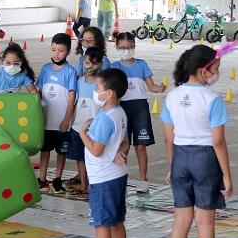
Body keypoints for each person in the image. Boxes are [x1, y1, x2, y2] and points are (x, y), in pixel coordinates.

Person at [160, 45, 232, 238]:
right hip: (205, 160)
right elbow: (218, 142)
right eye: (216, 69)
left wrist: (171, 166)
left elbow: (169, 138)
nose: (217, 74)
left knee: (180, 222)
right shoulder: (213, 99)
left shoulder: (172, 96)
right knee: (205, 223)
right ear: (204, 70)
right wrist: (227, 175)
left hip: (180, 158)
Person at [74, 68, 130, 238]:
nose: (95, 91)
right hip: (117, 175)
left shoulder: (105, 118)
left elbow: (96, 150)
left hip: (103, 177)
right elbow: (124, 140)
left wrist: (82, 134)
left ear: (110, 93)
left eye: (98, 87)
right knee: (116, 221)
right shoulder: (119, 113)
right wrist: (120, 150)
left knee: (102, 225)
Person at [112, 32, 166, 194]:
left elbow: (151, 87)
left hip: (140, 109)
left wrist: (159, 88)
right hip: (121, 109)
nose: (126, 50)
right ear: (116, 47)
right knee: (123, 147)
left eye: (129, 47)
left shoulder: (142, 64)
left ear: (134, 47)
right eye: (122, 48)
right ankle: (121, 178)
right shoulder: (115, 67)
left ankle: (143, 180)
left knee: (141, 146)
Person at [37, 33, 77, 190]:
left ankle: (58, 179)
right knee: (45, 150)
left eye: (61, 51)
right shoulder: (45, 69)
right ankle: (42, 178)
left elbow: (71, 97)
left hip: (61, 122)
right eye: (54, 50)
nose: (57, 54)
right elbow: (38, 92)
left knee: (62, 152)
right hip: (46, 121)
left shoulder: (70, 72)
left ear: (68, 52)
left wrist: (66, 119)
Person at [65, 46, 105, 196]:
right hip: (77, 126)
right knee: (80, 158)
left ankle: (94, 184)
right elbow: (74, 102)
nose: (89, 66)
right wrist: (69, 122)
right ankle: (83, 184)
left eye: (93, 64)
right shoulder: (79, 81)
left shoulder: (103, 83)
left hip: (96, 128)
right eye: (87, 63)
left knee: (94, 157)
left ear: (100, 64)